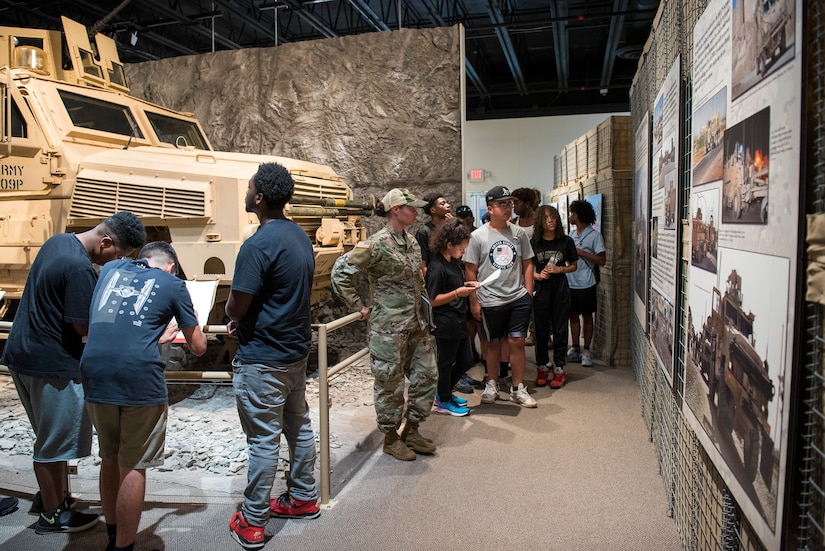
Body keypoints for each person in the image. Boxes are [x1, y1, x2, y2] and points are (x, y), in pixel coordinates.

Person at [1, 212, 145, 535]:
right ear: (106, 242)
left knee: (49, 436)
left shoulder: (59, 242)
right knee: (53, 442)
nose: (119, 261)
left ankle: (56, 499)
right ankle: (51, 515)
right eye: (119, 254)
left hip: (22, 354)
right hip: (50, 365)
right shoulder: (81, 268)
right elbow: (83, 326)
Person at [81, 241, 206, 551]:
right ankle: (124, 547)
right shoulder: (174, 283)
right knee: (134, 464)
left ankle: (111, 535)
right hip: (138, 378)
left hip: (94, 372)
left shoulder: (110, 269)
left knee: (108, 456)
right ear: (171, 267)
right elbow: (199, 346)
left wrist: (153, 334)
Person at [226, 163, 320, 550]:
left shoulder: (257, 244)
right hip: (294, 352)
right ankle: (302, 497)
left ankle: (251, 521)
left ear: (259, 197)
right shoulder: (299, 236)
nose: (246, 191)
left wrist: (233, 318)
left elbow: (237, 305)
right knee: (298, 426)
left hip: (263, 358)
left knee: (263, 440)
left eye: (249, 187)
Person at [332, 188, 438, 461]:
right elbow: (340, 273)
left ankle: (411, 430)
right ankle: (391, 439)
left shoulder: (412, 243)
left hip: (416, 325)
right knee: (389, 384)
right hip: (387, 330)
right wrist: (359, 307)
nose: (416, 211)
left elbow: (419, 282)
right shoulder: (376, 244)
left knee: (427, 376)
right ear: (395, 210)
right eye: (411, 207)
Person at [465, 185, 536, 408]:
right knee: (492, 343)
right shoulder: (477, 236)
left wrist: (528, 292)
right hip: (490, 299)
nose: (508, 208)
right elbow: (470, 271)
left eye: (510, 204)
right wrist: (474, 301)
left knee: (516, 342)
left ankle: (517, 387)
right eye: (502, 204)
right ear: (490, 208)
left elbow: (527, 263)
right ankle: (492, 383)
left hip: (517, 298)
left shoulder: (519, 233)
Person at [425, 218, 481, 416]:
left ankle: (445, 392)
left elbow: (457, 286)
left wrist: (468, 287)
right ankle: (443, 399)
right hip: (444, 321)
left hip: (458, 318)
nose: (463, 252)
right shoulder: (436, 267)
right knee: (446, 363)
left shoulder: (455, 262)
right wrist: (458, 292)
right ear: (449, 245)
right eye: (461, 248)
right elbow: (432, 300)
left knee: (466, 361)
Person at [531, 206, 578, 388]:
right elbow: (526, 268)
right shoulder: (533, 243)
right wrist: (537, 276)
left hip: (560, 288)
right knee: (541, 330)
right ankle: (542, 367)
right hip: (541, 288)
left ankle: (559, 368)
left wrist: (560, 269)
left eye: (553, 217)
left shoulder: (566, 241)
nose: (550, 221)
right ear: (539, 222)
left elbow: (574, 265)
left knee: (560, 329)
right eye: (546, 218)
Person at [566, 200, 606, 367]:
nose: (569, 216)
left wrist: (581, 253)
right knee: (573, 316)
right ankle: (575, 348)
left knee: (587, 317)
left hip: (587, 282)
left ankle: (587, 349)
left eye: (572, 213)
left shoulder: (595, 236)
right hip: (570, 281)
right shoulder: (571, 235)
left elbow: (602, 260)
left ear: (579, 215)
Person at [415, 193, 452, 269]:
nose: (448, 205)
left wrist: (453, 226)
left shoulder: (451, 228)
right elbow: (423, 263)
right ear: (433, 210)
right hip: (435, 276)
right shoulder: (424, 232)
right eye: (443, 204)